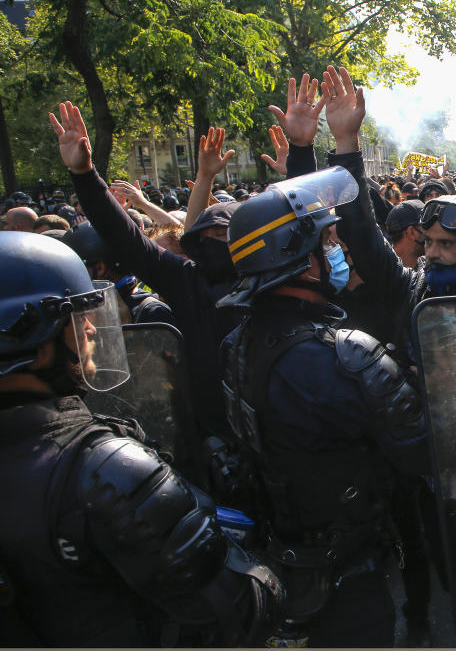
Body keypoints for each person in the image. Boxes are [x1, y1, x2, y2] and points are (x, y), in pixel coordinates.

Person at [0, 232, 281, 646]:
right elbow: (242, 611)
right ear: (31, 337)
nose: (93, 328)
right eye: (77, 318)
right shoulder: (105, 469)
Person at [216, 167, 429, 647]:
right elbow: (421, 450)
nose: (340, 250)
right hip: (347, 572)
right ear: (303, 259)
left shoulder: (237, 342)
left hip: (280, 552)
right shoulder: (343, 353)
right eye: (330, 240)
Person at [275, 67, 456, 367]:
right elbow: (360, 232)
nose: (432, 253)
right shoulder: (407, 289)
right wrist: (345, 143)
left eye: (446, 244)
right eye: (428, 242)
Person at [50, 103, 244, 465]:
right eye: (213, 234)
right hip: (217, 449)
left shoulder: (277, 280)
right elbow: (127, 240)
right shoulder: (189, 283)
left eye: (229, 233)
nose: (221, 240)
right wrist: (84, 173)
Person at [61, 221, 177, 327]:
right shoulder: (80, 310)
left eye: (78, 268)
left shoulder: (152, 313)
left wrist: (125, 330)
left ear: (100, 268)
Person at [385, 199, 426, 269]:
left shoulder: (430, 269)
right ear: (411, 232)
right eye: (426, 226)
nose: (432, 232)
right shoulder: (378, 275)